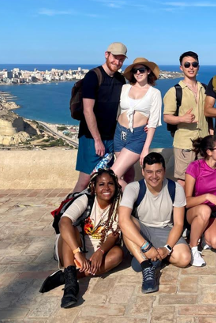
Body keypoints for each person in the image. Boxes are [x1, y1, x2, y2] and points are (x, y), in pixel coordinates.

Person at [40, 168, 124, 308]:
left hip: (96, 253)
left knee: (118, 254)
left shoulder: (117, 204)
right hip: (72, 250)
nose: (106, 188)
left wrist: (100, 252)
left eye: (110, 183)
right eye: (101, 184)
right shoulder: (86, 199)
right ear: (94, 187)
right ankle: (70, 288)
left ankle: (68, 276)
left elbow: (114, 235)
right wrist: (77, 252)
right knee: (70, 230)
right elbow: (64, 221)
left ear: (116, 186)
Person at [118, 152, 191, 294]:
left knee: (184, 259)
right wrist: (146, 247)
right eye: (149, 172)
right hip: (142, 229)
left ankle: (156, 257)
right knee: (126, 224)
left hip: (166, 230)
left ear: (164, 171)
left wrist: (167, 248)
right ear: (143, 172)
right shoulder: (133, 188)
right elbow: (123, 220)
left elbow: (178, 224)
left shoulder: (175, 188)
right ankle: (146, 266)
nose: (154, 176)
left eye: (158, 171)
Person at [72, 42, 127, 193]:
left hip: (112, 138)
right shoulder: (93, 76)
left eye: (121, 59)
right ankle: (66, 213)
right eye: (115, 57)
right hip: (92, 138)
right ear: (107, 54)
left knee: (108, 183)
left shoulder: (120, 80)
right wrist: (97, 140)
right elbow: (88, 110)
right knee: (84, 181)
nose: (118, 62)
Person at [111, 57, 163, 189]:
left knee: (113, 176)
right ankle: (128, 206)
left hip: (137, 136)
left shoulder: (154, 93)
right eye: (135, 70)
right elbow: (115, 110)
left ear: (148, 71)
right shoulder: (124, 88)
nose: (138, 73)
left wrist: (146, 148)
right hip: (119, 133)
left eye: (141, 70)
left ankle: (130, 203)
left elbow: (153, 122)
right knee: (127, 175)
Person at [163, 51, 211, 187]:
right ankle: (181, 208)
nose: (191, 67)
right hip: (184, 143)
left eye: (194, 64)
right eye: (187, 64)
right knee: (183, 179)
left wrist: (211, 135)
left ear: (198, 67)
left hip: (203, 141)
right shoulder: (175, 91)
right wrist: (182, 119)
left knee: (203, 177)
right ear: (181, 67)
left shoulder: (205, 89)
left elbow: (209, 115)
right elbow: (166, 117)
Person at [185, 135, 216, 267]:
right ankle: (193, 248)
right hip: (193, 212)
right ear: (209, 152)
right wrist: (207, 197)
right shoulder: (195, 167)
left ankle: (200, 233)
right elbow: (187, 201)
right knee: (204, 209)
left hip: (212, 213)